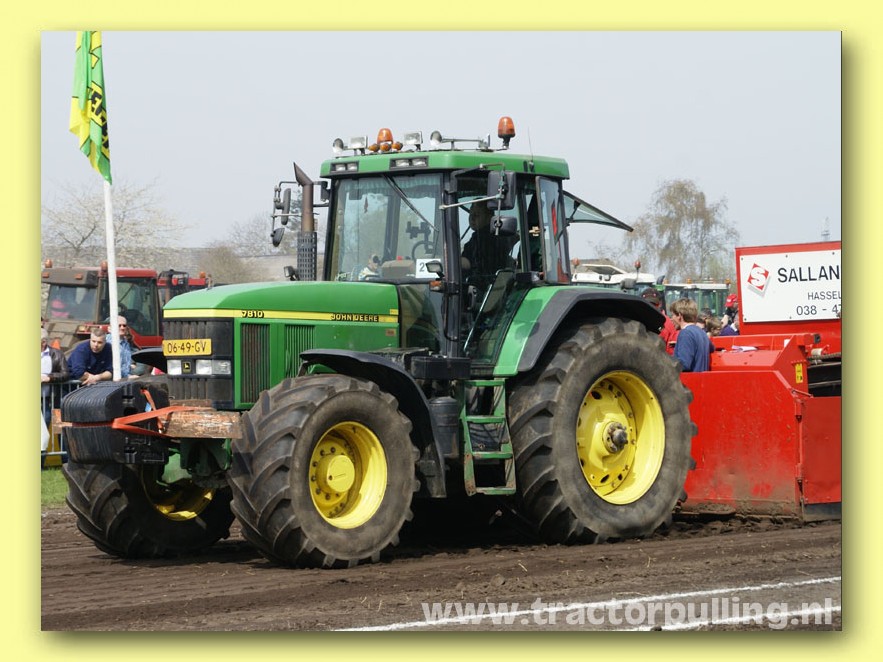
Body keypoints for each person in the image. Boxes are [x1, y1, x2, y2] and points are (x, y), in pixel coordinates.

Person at [461, 202, 516, 277]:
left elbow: (471, 262)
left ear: (489, 218)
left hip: (484, 281)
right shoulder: (497, 235)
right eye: (470, 214)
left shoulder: (485, 238)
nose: (472, 218)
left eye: (477, 215)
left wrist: (454, 262)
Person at [669, 298, 710, 372]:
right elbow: (711, 348)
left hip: (690, 379)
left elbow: (683, 364)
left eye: (672, 315)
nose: (671, 319)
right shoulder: (702, 332)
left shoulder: (686, 334)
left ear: (679, 316)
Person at [41, 327, 69, 424]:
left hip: (49, 397)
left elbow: (65, 374)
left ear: (43, 342)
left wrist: (49, 378)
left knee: (46, 421)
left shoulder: (57, 354)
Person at [641, 287, 677, 354]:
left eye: (653, 304)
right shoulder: (638, 320)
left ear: (660, 304)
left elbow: (670, 351)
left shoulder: (667, 323)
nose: (650, 306)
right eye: (647, 303)